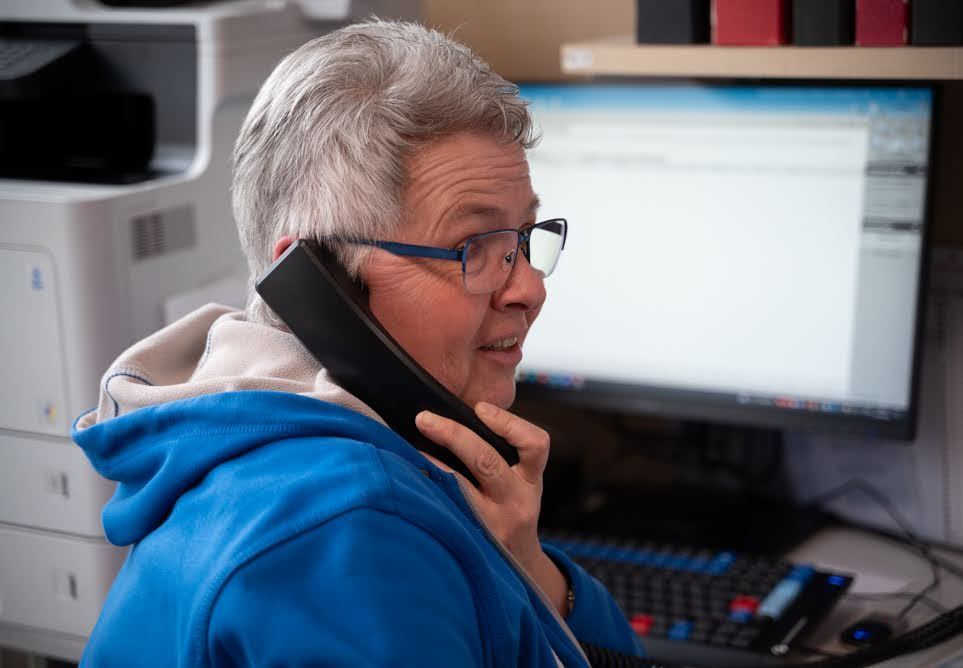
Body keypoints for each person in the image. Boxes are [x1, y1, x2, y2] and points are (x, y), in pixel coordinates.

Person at [72, 19, 642, 667]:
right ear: (323, 283)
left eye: (524, 239)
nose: (529, 289)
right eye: (474, 248)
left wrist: (525, 563)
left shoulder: (259, 446)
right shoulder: (351, 526)